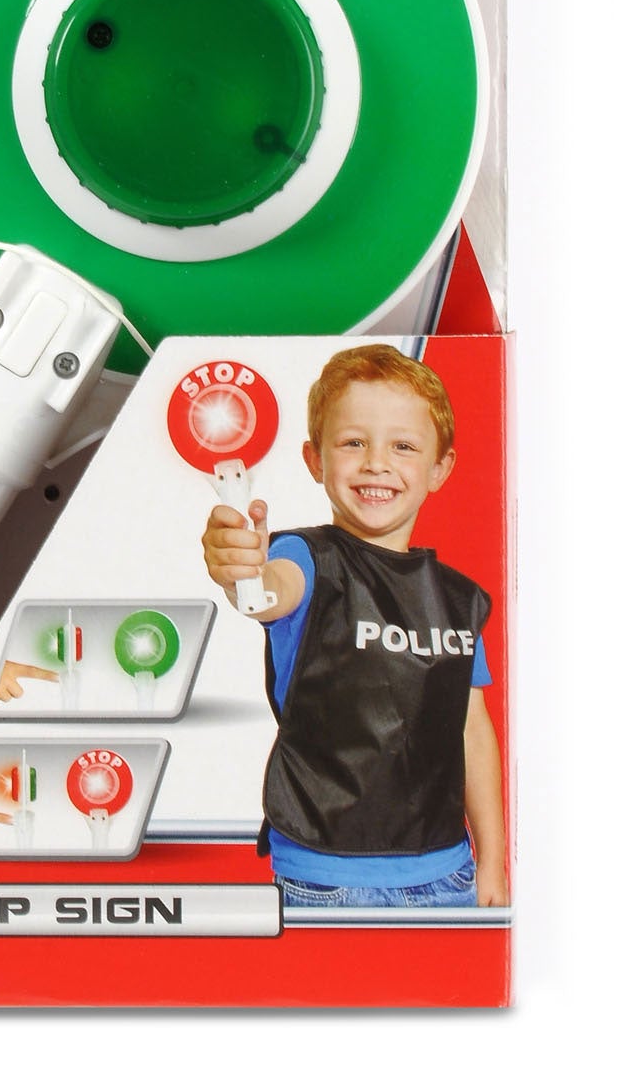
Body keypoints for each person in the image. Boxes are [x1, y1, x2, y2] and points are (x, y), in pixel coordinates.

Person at [201, 344, 508, 908]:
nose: (376, 463)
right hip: (323, 880)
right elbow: (268, 590)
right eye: (353, 443)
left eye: (403, 446)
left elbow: (472, 730)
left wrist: (492, 864)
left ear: (440, 468)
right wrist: (241, 566)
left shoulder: (458, 600)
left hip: (448, 875)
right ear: (315, 459)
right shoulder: (305, 559)